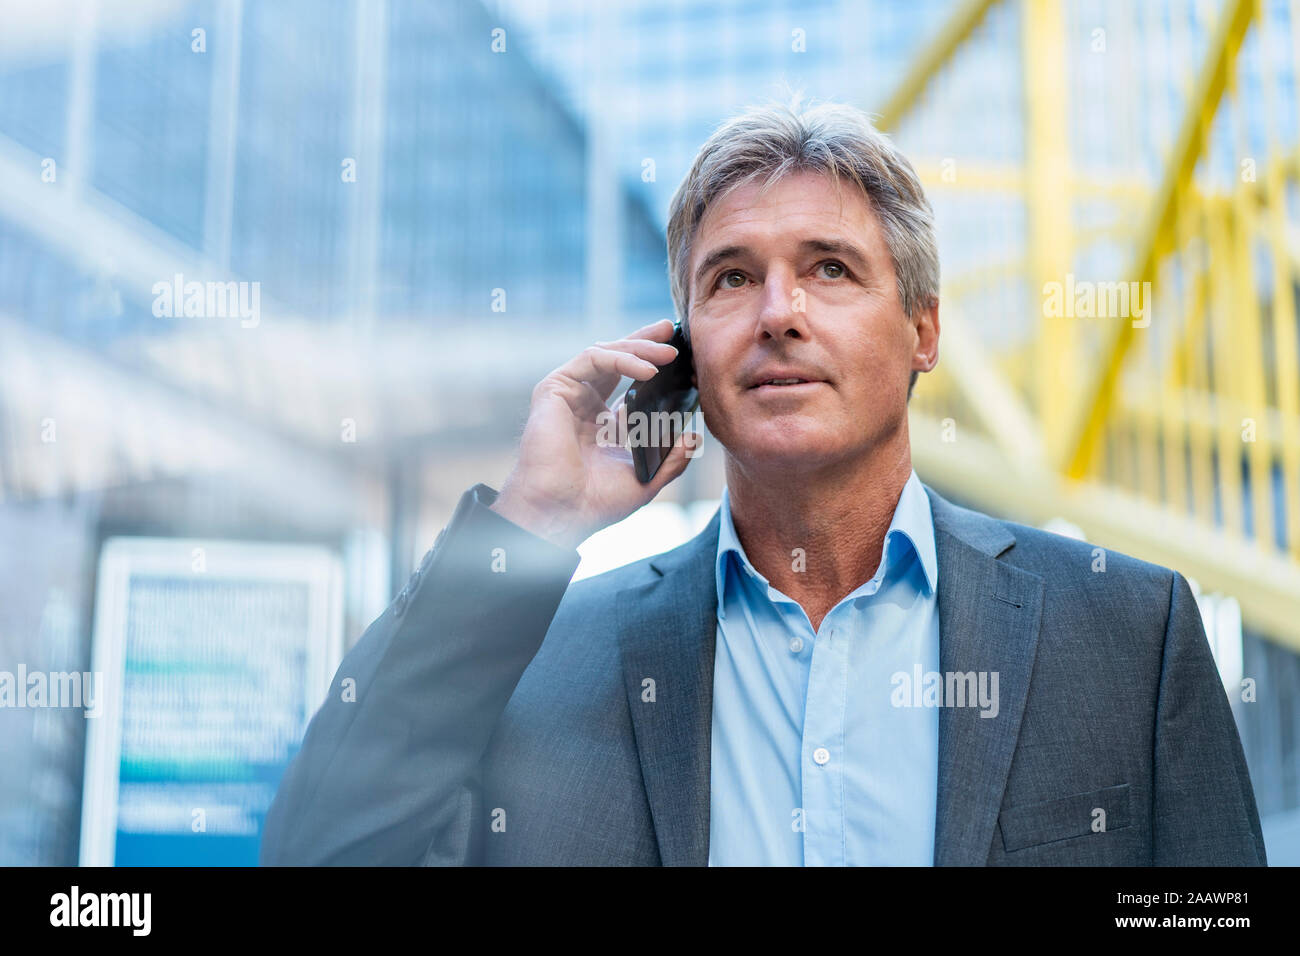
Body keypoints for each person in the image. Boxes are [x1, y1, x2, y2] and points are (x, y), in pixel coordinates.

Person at [260, 100, 1266, 866]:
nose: (778, 311)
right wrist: (532, 523)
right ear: (684, 349)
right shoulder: (546, 650)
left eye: (829, 268)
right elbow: (326, 848)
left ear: (922, 329)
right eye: (731, 277)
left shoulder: (1128, 633)